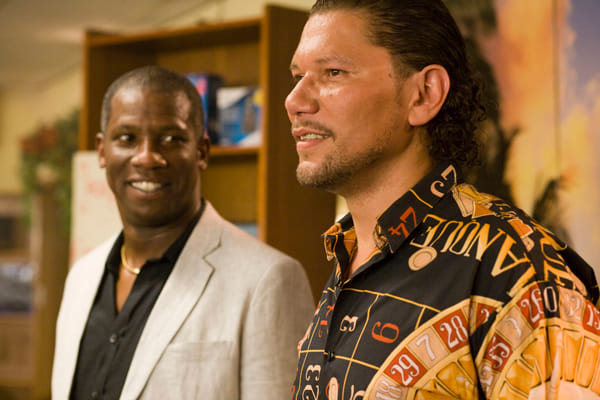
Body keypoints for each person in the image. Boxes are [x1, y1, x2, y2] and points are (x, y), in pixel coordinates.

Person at [285, 1, 600, 399]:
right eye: (298, 76)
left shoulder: (516, 269)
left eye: (333, 72)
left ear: (424, 94)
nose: (294, 101)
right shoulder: (348, 253)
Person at [52, 65, 314, 400]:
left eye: (171, 139)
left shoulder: (268, 279)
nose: (147, 157)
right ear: (103, 151)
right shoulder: (81, 277)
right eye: (127, 138)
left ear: (201, 151)